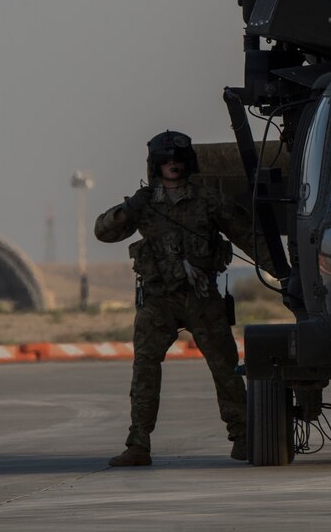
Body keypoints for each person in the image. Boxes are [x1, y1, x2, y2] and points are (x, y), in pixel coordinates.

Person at [95, 130, 274, 467]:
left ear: (188, 163)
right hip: (157, 300)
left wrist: (281, 269)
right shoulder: (145, 203)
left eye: (177, 159)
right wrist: (129, 208)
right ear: (156, 165)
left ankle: (244, 437)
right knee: (144, 370)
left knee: (225, 368)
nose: (172, 165)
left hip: (202, 298)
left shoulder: (208, 199)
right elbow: (104, 232)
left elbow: (245, 233)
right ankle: (138, 444)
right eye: (166, 160)